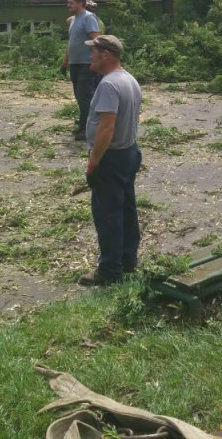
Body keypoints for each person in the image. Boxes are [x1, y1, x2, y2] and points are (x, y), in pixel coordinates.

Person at [80, 34, 142, 286]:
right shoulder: (129, 79)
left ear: (106, 55)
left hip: (111, 158)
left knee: (108, 215)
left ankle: (109, 271)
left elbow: (106, 128)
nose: (90, 56)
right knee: (126, 209)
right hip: (129, 153)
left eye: (93, 51)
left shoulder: (108, 85)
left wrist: (93, 163)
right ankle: (128, 260)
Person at [62, 0, 100, 140]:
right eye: (68, 2)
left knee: (84, 96)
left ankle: (87, 129)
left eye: (71, 3)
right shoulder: (74, 20)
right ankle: (85, 122)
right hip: (75, 63)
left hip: (86, 63)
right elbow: (71, 43)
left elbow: (97, 41)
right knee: (79, 96)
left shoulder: (89, 18)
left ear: (80, 3)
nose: (68, 5)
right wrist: (65, 62)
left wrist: (95, 62)